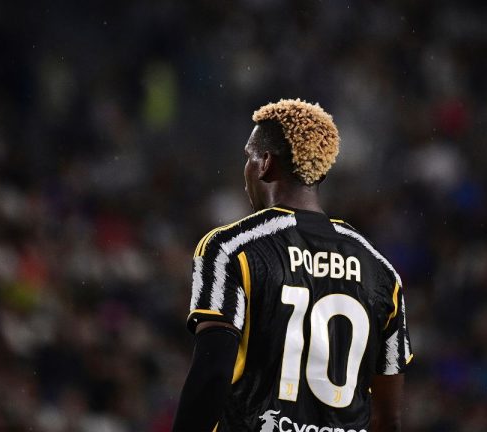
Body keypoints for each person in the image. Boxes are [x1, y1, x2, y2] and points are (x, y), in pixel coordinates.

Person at [173, 99, 412, 432]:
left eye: (249, 157)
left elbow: (213, 373)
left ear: (266, 163)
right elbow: (388, 418)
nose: (245, 173)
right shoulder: (381, 271)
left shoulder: (232, 248)